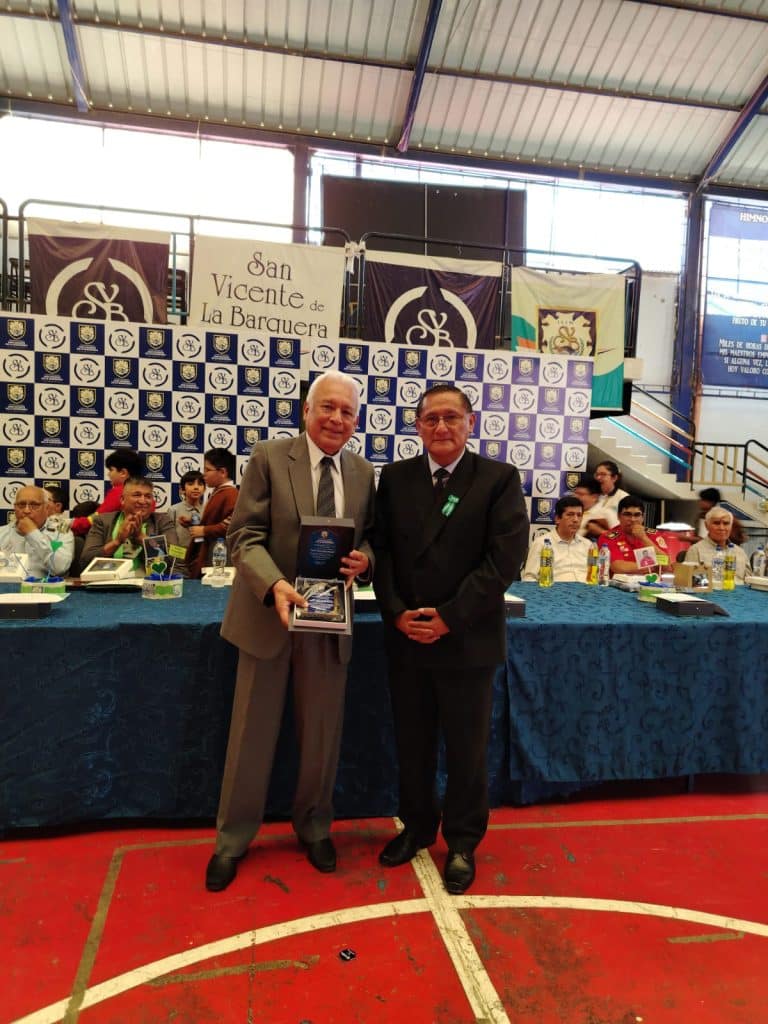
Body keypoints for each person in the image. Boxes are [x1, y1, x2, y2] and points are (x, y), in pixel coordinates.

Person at [206, 370, 375, 892]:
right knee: (250, 737)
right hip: (268, 617)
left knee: (322, 737)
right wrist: (275, 585)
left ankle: (315, 827)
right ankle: (232, 839)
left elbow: (372, 541)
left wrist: (364, 561)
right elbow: (244, 535)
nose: (337, 419)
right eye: (327, 407)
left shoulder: (364, 472)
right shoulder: (270, 457)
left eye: (347, 411)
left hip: (328, 623)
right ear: (306, 411)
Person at [373, 383, 528, 895]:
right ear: (417, 426)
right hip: (407, 636)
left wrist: (449, 617)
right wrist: (396, 613)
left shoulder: (498, 479)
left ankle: (462, 842)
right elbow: (382, 552)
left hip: (467, 637)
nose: (441, 427)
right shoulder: (395, 478)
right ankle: (416, 827)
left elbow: (504, 561)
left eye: (451, 418)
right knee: (412, 744)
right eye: (431, 419)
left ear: (470, 423)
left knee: (467, 750)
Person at [80, 476, 181, 575]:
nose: (143, 501)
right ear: (122, 500)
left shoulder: (162, 521)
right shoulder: (103, 521)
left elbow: (174, 559)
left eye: (148, 496)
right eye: (137, 495)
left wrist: (141, 538)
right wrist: (117, 542)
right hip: (110, 580)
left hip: (149, 581)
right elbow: (85, 560)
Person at [0, 485, 74, 578]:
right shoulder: (2, 533)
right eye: (21, 505)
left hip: (45, 586)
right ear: (15, 507)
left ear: (46, 508)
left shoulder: (60, 533)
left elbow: (60, 568)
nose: (26, 510)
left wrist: (33, 534)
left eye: (34, 505)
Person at [186, 450, 238, 579]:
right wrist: (192, 524)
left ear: (223, 472)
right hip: (212, 554)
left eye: (208, 470)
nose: (204, 474)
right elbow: (216, 521)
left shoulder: (230, 494)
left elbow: (232, 525)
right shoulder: (219, 492)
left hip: (219, 557)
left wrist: (204, 530)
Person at [71, 448, 146, 536]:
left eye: (111, 470)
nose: (108, 474)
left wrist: (69, 524)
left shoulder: (119, 492)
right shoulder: (147, 494)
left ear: (123, 473)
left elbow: (96, 520)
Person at [522, 496, 592, 582]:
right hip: (555, 589)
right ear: (557, 518)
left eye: (579, 515)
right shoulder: (541, 543)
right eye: (570, 515)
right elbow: (529, 578)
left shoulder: (588, 545)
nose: (576, 520)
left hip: (586, 588)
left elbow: (596, 575)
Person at [598, 494, 671, 576]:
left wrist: (644, 538)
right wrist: (653, 567)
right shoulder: (608, 537)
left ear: (643, 517)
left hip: (651, 582)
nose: (632, 519)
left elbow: (666, 566)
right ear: (618, 516)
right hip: (620, 583)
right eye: (627, 514)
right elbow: (618, 567)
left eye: (637, 515)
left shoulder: (654, 535)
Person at [685, 506, 749, 582]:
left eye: (726, 523)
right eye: (716, 523)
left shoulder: (740, 552)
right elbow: (691, 583)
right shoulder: (696, 550)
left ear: (731, 526)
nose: (721, 528)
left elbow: (750, 582)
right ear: (706, 526)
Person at [572, 475, 617, 540]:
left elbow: (619, 539)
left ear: (594, 497)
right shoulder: (571, 512)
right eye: (575, 493)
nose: (576, 497)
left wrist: (601, 532)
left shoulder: (607, 513)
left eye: (581, 494)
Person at [170, 469, 206, 548]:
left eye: (200, 484)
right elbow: (169, 536)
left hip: (202, 552)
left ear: (204, 489)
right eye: (191, 484)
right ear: (182, 490)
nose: (196, 487)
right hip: (179, 553)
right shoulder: (173, 510)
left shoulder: (208, 510)